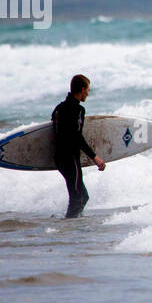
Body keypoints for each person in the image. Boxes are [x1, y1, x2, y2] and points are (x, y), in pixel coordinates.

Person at [52, 74, 105, 218]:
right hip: (69, 158)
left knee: (81, 196)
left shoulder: (58, 108)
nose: (88, 93)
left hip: (59, 158)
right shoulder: (78, 110)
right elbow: (76, 136)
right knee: (78, 197)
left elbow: (56, 131)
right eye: (88, 90)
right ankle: (69, 228)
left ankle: (72, 226)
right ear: (82, 89)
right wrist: (95, 157)